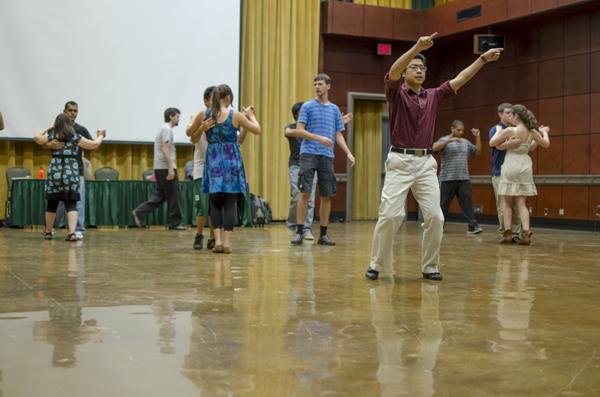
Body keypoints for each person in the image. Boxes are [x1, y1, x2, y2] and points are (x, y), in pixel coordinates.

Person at [364, 32, 503, 281]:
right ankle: (377, 263)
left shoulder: (434, 96)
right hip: (400, 160)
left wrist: (482, 59)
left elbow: (460, 79)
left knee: (436, 217)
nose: (418, 71)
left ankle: (430, 266)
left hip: (426, 163)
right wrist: (417, 45)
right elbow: (393, 70)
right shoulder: (396, 93)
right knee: (391, 215)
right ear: (406, 74)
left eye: (422, 68)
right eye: (414, 67)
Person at [187, 84, 261, 253]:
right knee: (229, 202)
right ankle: (227, 244)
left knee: (215, 202)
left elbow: (190, 134)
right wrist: (251, 116)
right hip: (231, 159)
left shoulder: (203, 114)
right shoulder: (235, 115)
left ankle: (217, 241)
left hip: (213, 159)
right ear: (228, 98)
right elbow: (257, 130)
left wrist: (201, 128)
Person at [289, 73, 356, 246]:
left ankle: (324, 234)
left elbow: (338, 134)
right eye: (315, 84)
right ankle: (299, 232)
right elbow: (299, 130)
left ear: (328, 86)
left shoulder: (334, 109)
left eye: (320, 84)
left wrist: (348, 152)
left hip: (327, 156)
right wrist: (319, 138)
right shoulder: (307, 107)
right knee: (304, 193)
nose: (317, 87)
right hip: (308, 154)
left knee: (327, 195)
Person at [33, 114, 105, 240]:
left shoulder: (53, 136)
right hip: (71, 173)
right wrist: (101, 136)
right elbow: (94, 145)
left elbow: (37, 138)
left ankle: (48, 232)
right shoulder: (75, 137)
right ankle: (71, 233)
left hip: (55, 172)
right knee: (71, 203)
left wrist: (48, 128)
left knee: (52, 203)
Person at [489, 104, 550, 245]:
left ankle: (507, 234)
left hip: (511, 164)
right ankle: (526, 233)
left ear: (517, 116)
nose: (510, 117)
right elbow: (545, 144)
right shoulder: (531, 131)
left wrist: (499, 130)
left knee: (506, 202)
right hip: (525, 165)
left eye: (511, 115)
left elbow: (492, 143)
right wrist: (544, 132)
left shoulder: (510, 130)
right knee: (522, 202)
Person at [132, 108, 186, 230]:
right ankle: (175, 223)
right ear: (171, 116)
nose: (179, 119)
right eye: (177, 116)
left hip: (159, 167)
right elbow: (165, 148)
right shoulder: (167, 130)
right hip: (165, 167)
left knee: (161, 195)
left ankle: (139, 212)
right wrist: (171, 168)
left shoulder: (163, 129)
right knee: (174, 195)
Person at [432, 120, 482, 235]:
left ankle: (473, 226)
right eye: (458, 130)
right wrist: (449, 141)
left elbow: (478, 152)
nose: (460, 132)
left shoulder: (465, 142)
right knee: (443, 204)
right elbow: (434, 148)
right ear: (452, 129)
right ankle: (439, 226)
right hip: (447, 178)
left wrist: (478, 137)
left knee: (467, 202)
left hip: (463, 178)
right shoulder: (444, 140)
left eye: (462, 130)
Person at [187, 86, 217, 250]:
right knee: (202, 205)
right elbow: (192, 138)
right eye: (214, 98)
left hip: (217, 168)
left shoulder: (225, 117)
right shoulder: (198, 116)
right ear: (206, 101)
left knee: (214, 204)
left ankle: (213, 237)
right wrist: (201, 128)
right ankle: (199, 234)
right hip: (201, 167)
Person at [489, 103, 523, 243]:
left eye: (512, 113)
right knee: (503, 204)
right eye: (507, 113)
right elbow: (495, 145)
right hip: (499, 171)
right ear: (500, 114)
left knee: (516, 204)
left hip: (515, 171)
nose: (510, 115)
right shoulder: (496, 129)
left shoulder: (517, 129)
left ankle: (516, 233)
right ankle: (505, 232)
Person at [284, 102, 317, 240]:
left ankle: (306, 229)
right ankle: (292, 224)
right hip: (295, 165)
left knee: (309, 199)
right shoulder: (290, 128)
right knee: (297, 195)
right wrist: (302, 130)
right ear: (297, 115)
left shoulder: (313, 128)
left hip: (311, 165)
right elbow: (287, 132)